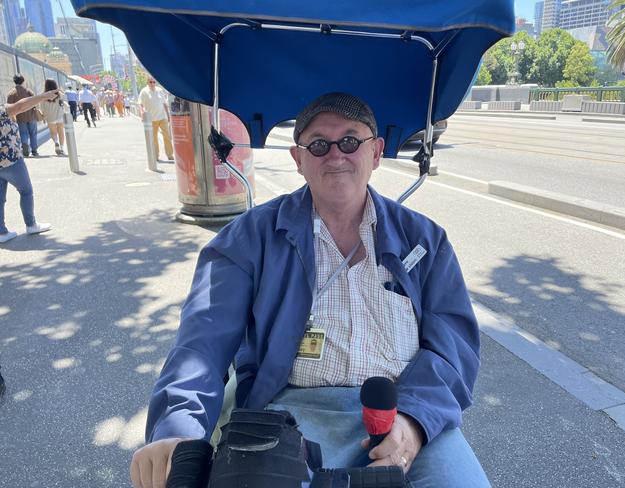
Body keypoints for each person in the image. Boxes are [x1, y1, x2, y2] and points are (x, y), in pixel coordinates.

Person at [130, 93, 488, 488]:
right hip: (288, 415)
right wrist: (176, 430)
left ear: (377, 152)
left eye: (351, 141)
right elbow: (200, 345)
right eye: (318, 144)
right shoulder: (247, 239)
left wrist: (416, 421)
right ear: (298, 160)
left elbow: (453, 347)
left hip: (404, 413)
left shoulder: (425, 240)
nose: (335, 155)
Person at [0, 87, 56, 243]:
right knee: (26, 191)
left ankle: (1, 232)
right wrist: (43, 96)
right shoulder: (3, 111)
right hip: (11, 160)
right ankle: (31, 225)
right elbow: (20, 106)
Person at [138, 77, 174, 161]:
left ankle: (169, 155)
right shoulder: (144, 91)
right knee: (154, 139)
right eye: (150, 82)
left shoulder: (160, 90)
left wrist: (168, 115)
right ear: (147, 83)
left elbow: (164, 103)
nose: (152, 84)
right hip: (151, 119)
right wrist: (142, 113)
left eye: (154, 82)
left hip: (162, 117)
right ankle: (156, 156)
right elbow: (140, 104)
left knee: (167, 136)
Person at [6, 74, 39, 157]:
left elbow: (9, 108)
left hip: (20, 117)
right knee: (33, 133)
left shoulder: (11, 93)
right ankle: (34, 151)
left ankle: (25, 147)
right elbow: (35, 103)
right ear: (23, 81)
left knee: (23, 133)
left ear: (14, 81)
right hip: (31, 116)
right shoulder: (29, 91)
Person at [40, 79, 67, 156]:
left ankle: (56, 142)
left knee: (53, 132)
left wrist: (44, 116)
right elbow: (62, 103)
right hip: (59, 116)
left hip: (50, 117)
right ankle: (62, 148)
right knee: (61, 132)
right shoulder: (59, 94)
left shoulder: (43, 95)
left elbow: (42, 107)